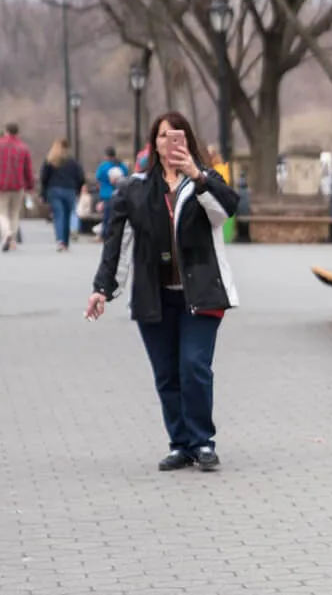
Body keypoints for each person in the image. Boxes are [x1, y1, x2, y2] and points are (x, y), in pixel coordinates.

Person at [85, 112, 240, 472]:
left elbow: (224, 213)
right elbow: (117, 242)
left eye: (177, 135)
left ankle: (202, 441)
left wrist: (197, 176)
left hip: (201, 293)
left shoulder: (206, 180)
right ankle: (181, 443)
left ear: (188, 141)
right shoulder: (136, 188)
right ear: (153, 143)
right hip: (154, 295)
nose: (170, 141)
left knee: (194, 366)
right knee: (167, 374)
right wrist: (101, 290)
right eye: (162, 135)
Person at [0, 124, 35, 251]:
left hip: (0, 184)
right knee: (14, 213)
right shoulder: (23, 147)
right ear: (17, 133)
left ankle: (6, 232)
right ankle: (12, 240)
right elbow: (28, 169)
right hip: (18, 184)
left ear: (5, 131)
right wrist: (30, 185)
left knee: (0, 212)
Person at [40, 139, 85, 251]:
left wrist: (43, 193)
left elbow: (44, 178)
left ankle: (60, 240)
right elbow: (80, 177)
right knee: (67, 215)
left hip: (54, 190)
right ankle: (66, 241)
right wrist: (78, 189)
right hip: (70, 190)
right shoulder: (72, 162)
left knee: (58, 215)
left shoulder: (50, 161)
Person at [95, 147, 124, 212]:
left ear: (106, 156)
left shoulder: (102, 167)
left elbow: (98, 181)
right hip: (119, 196)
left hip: (106, 196)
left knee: (107, 218)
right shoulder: (122, 165)